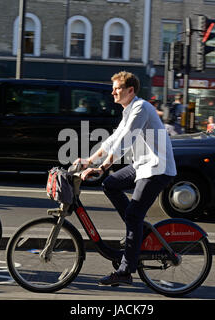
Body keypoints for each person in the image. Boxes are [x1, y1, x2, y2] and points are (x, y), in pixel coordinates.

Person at [74, 71, 177, 286]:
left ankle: (125, 271)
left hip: (157, 168)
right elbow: (114, 139)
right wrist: (89, 160)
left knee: (133, 215)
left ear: (130, 90)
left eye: (117, 88)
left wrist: (102, 166)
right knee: (110, 185)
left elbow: (126, 141)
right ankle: (136, 229)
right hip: (143, 166)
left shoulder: (141, 108)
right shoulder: (129, 110)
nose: (112, 91)